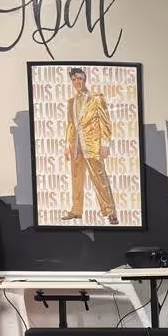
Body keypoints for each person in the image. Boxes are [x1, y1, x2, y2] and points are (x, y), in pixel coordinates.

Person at [63, 68, 117, 223]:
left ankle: (110, 210)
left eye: (79, 78)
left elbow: (105, 121)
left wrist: (105, 143)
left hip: (92, 145)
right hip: (76, 146)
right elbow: (71, 125)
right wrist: (68, 145)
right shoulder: (71, 102)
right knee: (76, 178)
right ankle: (76, 210)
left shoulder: (96, 98)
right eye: (74, 79)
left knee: (99, 178)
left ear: (84, 79)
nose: (77, 82)